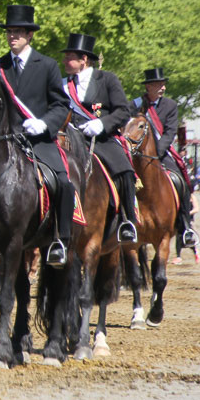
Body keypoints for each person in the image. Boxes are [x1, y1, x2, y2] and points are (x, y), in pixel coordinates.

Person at [0, 5, 75, 266]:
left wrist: (44, 124)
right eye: (10, 32)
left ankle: (61, 239)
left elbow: (60, 104)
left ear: (30, 36)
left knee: (63, 182)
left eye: (19, 32)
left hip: (38, 139)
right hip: (6, 139)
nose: (13, 36)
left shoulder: (46, 65)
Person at [60, 33, 138, 243]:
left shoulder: (107, 79)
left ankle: (127, 220)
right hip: (70, 138)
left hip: (101, 138)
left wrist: (101, 124)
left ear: (83, 59)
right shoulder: (62, 84)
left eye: (69, 57)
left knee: (125, 170)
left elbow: (122, 111)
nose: (65, 61)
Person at [130, 67, 200, 249]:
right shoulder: (135, 105)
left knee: (180, 180)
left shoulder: (170, 105)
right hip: (136, 153)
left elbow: (169, 133)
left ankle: (185, 226)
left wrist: (156, 154)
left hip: (161, 152)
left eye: (163, 84)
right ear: (148, 87)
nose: (162, 88)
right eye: (158, 85)